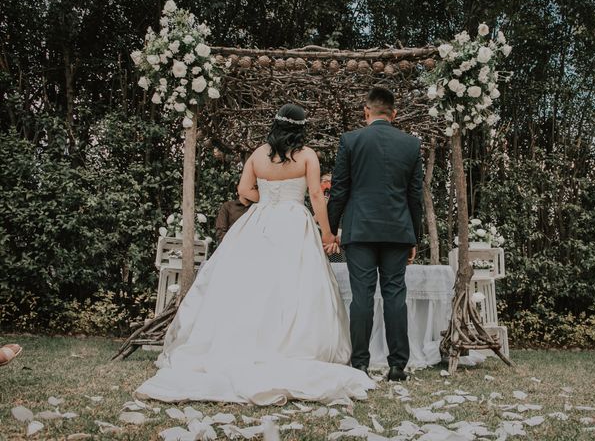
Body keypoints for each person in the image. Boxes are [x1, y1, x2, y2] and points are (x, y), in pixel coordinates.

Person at [135, 104, 375, 405]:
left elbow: (243, 190)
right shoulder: (307, 155)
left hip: (258, 223)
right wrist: (326, 233)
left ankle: (242, 342)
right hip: (294, 223)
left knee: (249, 284)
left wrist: (267, 200)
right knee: (293, 285)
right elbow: (315, 195)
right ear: (301, 128)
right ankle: (289, 346)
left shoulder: (258, 155)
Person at [327, 87, 423, 382]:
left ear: (365, 111)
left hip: (360, 230)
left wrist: (331, 229)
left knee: (362, 296)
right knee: (395, 294)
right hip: (397, 230)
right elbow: (415, 195)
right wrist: (414, 237)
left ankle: (360, 364)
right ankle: (397, 365)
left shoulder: (351, 140)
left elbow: (340, 189)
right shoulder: (411, 144)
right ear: (394, 114)